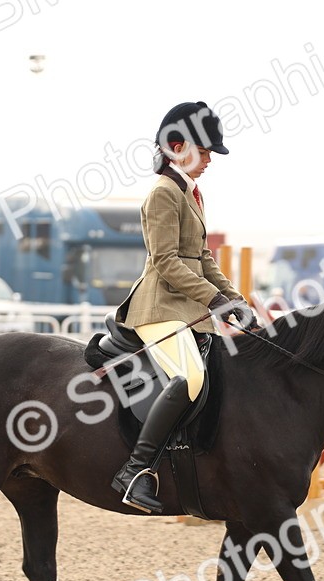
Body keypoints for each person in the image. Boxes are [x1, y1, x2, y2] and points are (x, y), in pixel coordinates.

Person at [110, 101, 255, 513]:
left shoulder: (190, 192)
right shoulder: (162, 193)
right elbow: (167, 262)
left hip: (188, 309)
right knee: (189, 379)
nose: (209, 160)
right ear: (177, 146)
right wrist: (215, 300)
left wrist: (235, 297)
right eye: (204, 151)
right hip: (158, 309)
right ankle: (135, 471)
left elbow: (202, 258)